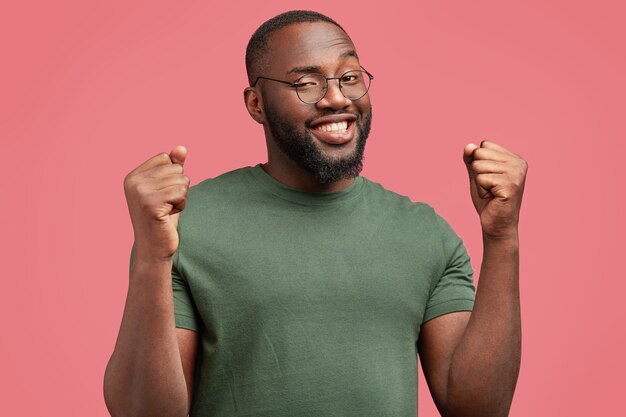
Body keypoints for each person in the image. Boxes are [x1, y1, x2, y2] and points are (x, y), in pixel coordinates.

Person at [104, 10, 527, 417]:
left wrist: (502, 237)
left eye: (350, 77)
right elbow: (142, 412)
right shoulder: (185, 226)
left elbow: (479, 409)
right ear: (256, 104)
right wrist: (151, 257)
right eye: (306, 83)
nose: (337, 98)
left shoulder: (427, 234)